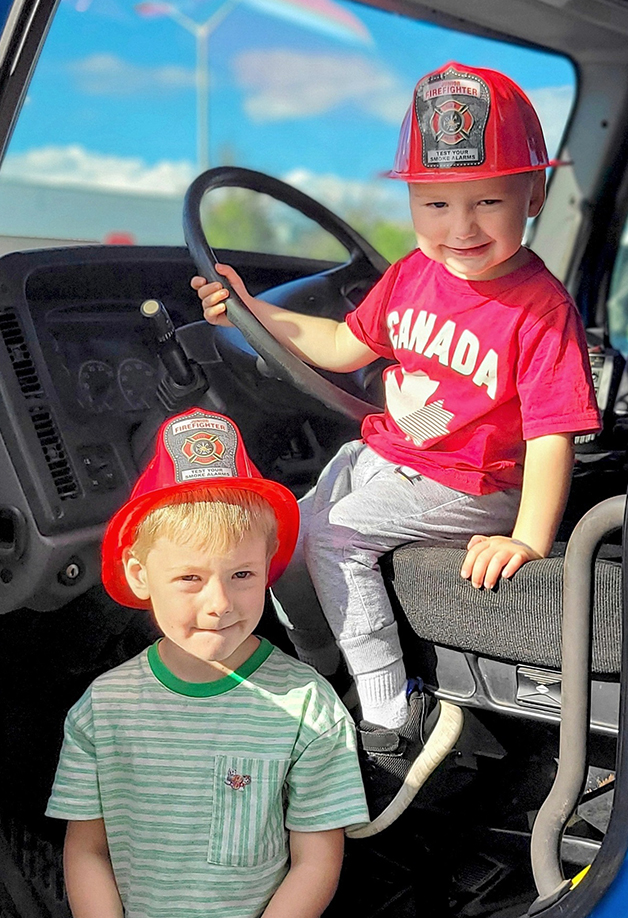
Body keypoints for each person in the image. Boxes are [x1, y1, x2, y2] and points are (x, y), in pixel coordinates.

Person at [191, 62, 602, 833]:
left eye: (488, 202)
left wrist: (526, 538)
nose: (462, 227)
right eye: (436, 203)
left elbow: (552, 434)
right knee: (288, 524)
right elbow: (346, 344)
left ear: (534, 199)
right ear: (411, 201)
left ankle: (391, 718)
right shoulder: (414, 274)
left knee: (338, 537)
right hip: (394, 456)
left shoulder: (540, 311)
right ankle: (320, 671)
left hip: (474, 481)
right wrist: (250, 314)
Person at [46, 407, 369, 918]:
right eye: (190, 579)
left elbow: (316, 861)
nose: (219, 603)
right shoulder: (102, 710)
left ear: (268, 564)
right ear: (139, 575)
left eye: (241, 574)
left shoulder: (309, 708)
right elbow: (87, 849)